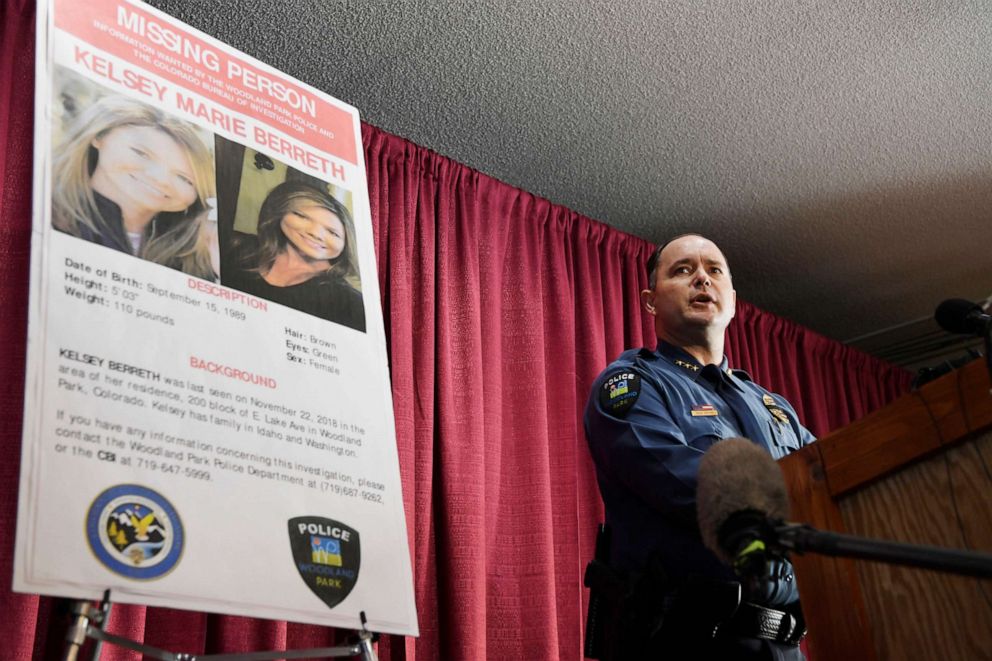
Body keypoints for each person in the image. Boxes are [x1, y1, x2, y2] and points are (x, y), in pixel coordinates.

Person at [584, 234, 815, 660]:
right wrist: (806, 512)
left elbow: (839, 486)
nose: (702, 280)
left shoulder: (775, 407)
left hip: (784, 646)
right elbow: (700, 489)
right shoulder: (633, 387)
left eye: (714, 271)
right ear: (651, 301)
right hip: (686, 642)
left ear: (732, 297)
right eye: (683, 270)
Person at [52, 95, 217, 281]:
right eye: (141, 153)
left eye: (184, 178)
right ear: (99, 137)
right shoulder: (49, 213)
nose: (160, 179)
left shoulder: (193, 256)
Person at [225, 181, 366, 332]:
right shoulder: (237, 247)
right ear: (280, 212)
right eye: (302, 216)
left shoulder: (350, 303)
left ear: (346, 244)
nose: (315, 234)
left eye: (333, 232)